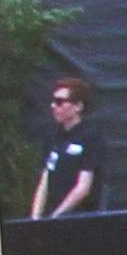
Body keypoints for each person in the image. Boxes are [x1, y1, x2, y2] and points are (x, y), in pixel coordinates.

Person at [25, 72, 98, 219]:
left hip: (81, 219)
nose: (53, 106)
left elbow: (83, 187)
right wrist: (35, 218)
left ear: (78, 106)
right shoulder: (54, 137)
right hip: (52, 218)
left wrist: (57, 217)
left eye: (59, 102)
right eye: (52, 101)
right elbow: (45, 180)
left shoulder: (90, 138)